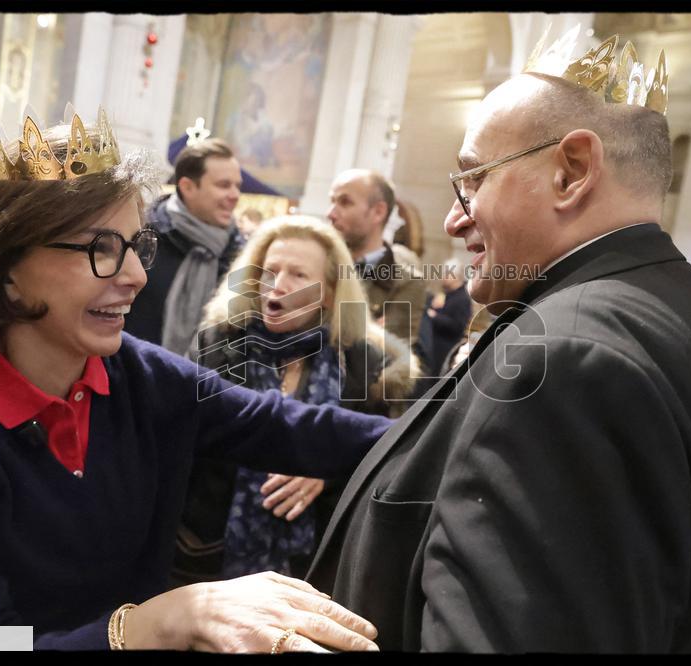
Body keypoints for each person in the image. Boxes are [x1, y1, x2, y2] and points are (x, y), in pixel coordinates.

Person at [307, 34, 691, 652]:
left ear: (571, 171)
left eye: (473, 177)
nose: (453, 218)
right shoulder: (680, 309)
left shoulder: (569, 359)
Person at [0, 108, 390, 652]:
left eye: (135, 246)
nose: (136, 276)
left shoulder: (139, 376)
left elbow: (286, 426)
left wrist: (457, 428)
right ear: (3, 264)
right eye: (99, 249)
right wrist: (158, 621)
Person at [175, 215, 419, 585]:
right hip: (204, 561)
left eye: (299, 275)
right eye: (269, 270)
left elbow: (385, 464)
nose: (278, 285)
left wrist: (326, 470)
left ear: (330, 292)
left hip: (316, 570)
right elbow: (184, 447)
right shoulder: (216, 346)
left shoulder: (365, 367)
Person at [124, 138, 245, 355]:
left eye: (237, 186)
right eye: (224, 185)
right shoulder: (141, 237)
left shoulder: (242, 256)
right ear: (188, 187)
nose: (235, 195)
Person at [327, 168, 426, 344]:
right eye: (332, 201)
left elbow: (385, 357)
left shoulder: (406, 283)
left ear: (378, 212)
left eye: (345, 202)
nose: (331, 214)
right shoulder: (320, 267)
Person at [417, 258, 472, 376]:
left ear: (455, 276)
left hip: (445, 348)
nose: (443, 277)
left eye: (446, 274)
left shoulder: (462, 298)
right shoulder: (447, 294)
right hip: (436, 345)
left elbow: (457, 326)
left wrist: (434, 316)